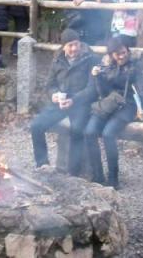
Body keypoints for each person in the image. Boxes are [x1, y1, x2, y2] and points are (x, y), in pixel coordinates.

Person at [84, 36, 143, 188]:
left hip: (126, 106)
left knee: (108, 134)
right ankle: (97, 175)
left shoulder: (135, 65)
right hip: (108, 104)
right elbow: (103, 93)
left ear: (127, 50)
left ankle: (113, 179)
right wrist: (96, 77)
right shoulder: (105, 65)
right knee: (89, 132)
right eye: (118, 54)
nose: (122, 56)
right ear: (111, 55)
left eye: (124, 52)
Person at [30, 29, 97, 176]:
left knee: (77, 130)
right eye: (70, 45)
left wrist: (73, 100)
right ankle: (42, 164)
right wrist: (54, 95)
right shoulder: (58, 58)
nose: (74, 48)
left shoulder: (90, 58)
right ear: (64, 46)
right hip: (61, 101)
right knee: (36, 126)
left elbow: (92, 89)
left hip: (81, 102)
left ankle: (73, 172)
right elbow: (50, 84)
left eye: (76, 44)